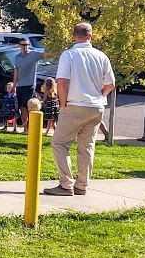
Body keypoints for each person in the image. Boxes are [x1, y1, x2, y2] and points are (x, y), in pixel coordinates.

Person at [44, 22, 116, 196]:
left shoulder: (69, 55)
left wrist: (62, 104)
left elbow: (62, 81)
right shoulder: (101, 56)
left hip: (74, 104)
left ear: (73, 35)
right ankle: (82, 185)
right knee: (87, 147)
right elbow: (111, 84)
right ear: (90, 36)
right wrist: (99, 95)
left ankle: (66, 184)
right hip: (96, 106)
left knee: (60, 143)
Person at [13, 38, 44, 131]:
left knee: (29, 105)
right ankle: (25, 127)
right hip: (20, 85)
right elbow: (16, 72)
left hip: (29, 84)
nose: (25, 47)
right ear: (19, 46)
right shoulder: (17, 57)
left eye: (27, 45)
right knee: (22, 106)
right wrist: (14, 85)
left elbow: (46, 55)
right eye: (23, 45)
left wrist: (48, 44)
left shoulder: (33, 54)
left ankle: (32, 127)